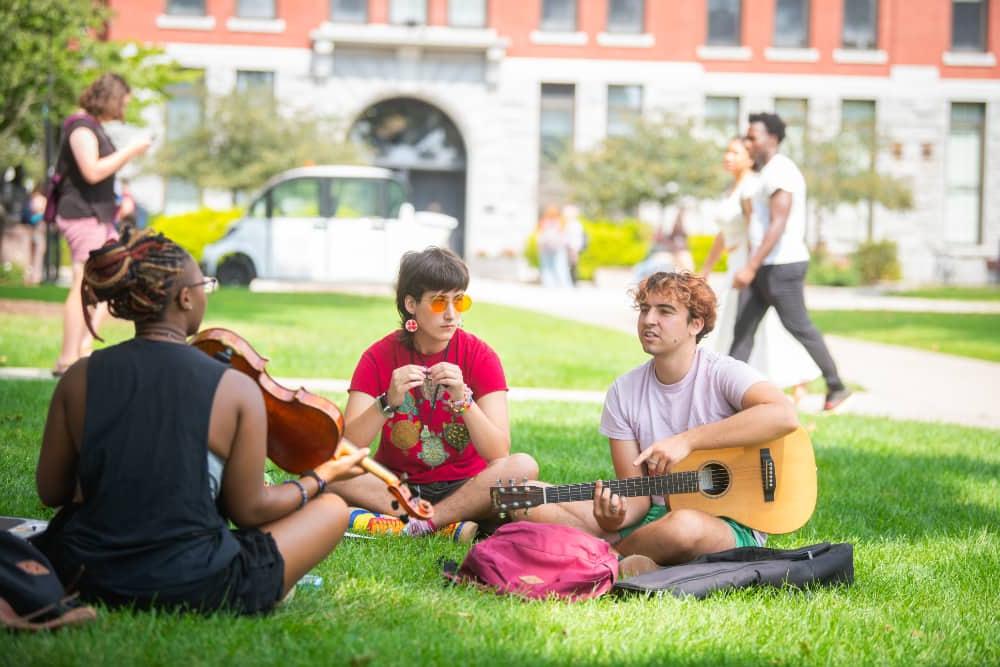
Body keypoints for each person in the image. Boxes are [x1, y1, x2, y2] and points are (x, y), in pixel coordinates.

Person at [33, 228, 369, 613]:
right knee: (333, 511)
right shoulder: (234, 388)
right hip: (197, 581)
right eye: (205, 285)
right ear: (185, 297)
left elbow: (52, 491)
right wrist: (323, 476)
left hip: (84, 571)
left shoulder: (80, 376)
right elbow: (250, 511)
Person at [518, 272, 799, 573]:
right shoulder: (624, 391)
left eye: (665, 311)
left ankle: (605, 556)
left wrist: (687, 441)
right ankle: (633, 555)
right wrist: (615, 517)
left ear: (696, 324)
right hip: (654, 517)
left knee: (684, 527)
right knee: (529, 497)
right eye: (644, 309)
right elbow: (636, 495)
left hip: (729, 523)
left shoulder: (722, 373)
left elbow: (783, 415)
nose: (649, 320)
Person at [330, 246, 539, 542]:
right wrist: (386, 403)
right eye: (440, 302)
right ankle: (444, 524)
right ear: (411, 304)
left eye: (459, 301)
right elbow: (347, 448)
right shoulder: (378, 357)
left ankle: (424, 522)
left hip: (465, 487)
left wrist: (464, 400)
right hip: (395, 486)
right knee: (325, 465)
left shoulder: (480, 356)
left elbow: (498, 453)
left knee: (524, 465)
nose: (451, 314)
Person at [730, 113, 851, 412]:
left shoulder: (781, 171)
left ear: (772, 138)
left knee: (799, 326)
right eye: (746, 137)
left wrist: (750, 266)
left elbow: (778, 223)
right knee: (742, 330)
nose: (748, 142)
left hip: (782, 266)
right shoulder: (764, 172)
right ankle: (725, 395)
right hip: (764, 265)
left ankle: (836, 385)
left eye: (753, 137)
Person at [702, 137, 819, 403]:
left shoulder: (753, 188)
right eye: (727, 151)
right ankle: (734, 383)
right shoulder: (732, 189)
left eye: (735, 152)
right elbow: (723, 235)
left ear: (750, 157)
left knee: (768, 326)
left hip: (749, 262)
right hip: (734, 263)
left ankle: (799, 378)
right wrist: (706, 268)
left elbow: (758, 228)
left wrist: (752, 267)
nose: (727, 156)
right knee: (738, 325)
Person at [52, 73, 152, 376]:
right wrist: (131, 151)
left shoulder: (93, 128)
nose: (124, 108)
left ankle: (83, 348)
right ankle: (67, 358)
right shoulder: (80, 128)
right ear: (109, 97)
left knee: (108, 282)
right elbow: (92, 172)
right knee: (83, 283)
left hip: (99, 216)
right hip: (82, 216)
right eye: (123, 101)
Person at [536, 205, 572, 288]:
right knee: (560, 267)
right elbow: (565, 236)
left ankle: (551, 284)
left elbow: (539, 235)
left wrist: (539, 246)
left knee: (548, 267)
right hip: (556, 248)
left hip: (548, 248)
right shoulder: (560, 222)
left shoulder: (544, 222)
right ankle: (563, 285)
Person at [23, 184, 48, 285]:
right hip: (38, 229)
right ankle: (35, 278)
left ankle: (28, 277)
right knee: (38, 254)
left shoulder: (31, 199)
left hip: (32, 229)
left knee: (30, 254)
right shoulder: (41, 199)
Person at [562, 204, 587, 286]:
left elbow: (575, 238)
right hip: (571, 247)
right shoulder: (570, 223)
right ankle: (572, 282)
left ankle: (573, 282)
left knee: (572, 265)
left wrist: (574, 249)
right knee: (571, 265)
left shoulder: (575, 225)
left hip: (573, 247)